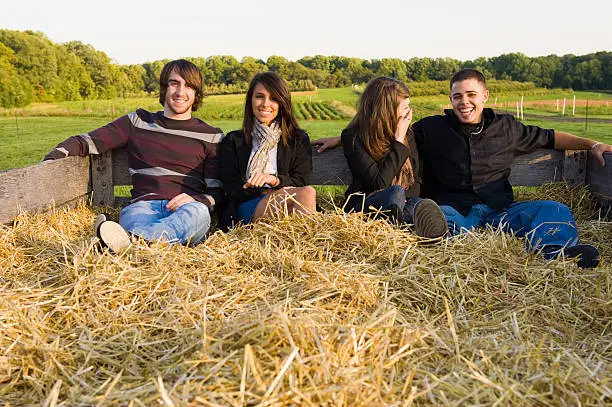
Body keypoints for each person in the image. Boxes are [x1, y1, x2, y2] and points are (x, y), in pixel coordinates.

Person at [313, 69, 612, 268]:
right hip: (453, 211)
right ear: (450, 100)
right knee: (430, 214)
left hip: (500, 213)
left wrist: (592, 143)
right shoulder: (431, 128)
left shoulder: (507, 127)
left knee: (554, 209)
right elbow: (382, 132)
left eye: (470, 95)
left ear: (484, 95)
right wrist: (340, 139)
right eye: (457, 96)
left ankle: (556, 252)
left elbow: (551, 137)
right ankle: (442, 238)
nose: (464, 102)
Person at [44, 59, 223, 251]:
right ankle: (143, 243)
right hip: (143, 207)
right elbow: (86, 141)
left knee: (199, 214)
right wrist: (50, 160)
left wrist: (196, 200)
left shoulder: (210, 135)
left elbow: (217, 191)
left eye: (188, 86)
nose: (180, 92)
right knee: (133, 217)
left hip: (187, 210)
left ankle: (126, 242)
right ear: (164, 88)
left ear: (196, 94)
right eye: (174, 83)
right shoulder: (138, 121)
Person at [338, 76, 447, 238]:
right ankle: (406, 227)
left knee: (420, 204)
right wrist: (398, 142)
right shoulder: (354, 137)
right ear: (386, 110)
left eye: (409, 106)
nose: (409, 112)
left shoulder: (408, 135)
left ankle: (423, 229)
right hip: (367, 204)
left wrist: (407, 200)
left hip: (403, 202)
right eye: (404, 108)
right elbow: (379, 183)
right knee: (395, 192)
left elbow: (416, 179)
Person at [218, 71, 316, 229]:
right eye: (259, 96)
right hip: (248, 206)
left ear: (282, 103)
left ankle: (293, 248)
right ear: (250, 99)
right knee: (306, 194)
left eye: (273, 98)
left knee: (306, 194)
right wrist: (262, 191)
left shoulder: (297, 139)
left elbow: (301, 180)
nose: (265, 104)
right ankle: (304, 250)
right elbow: (231, 188)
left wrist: (274, 180)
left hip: (289, 202)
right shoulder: (234, 140)